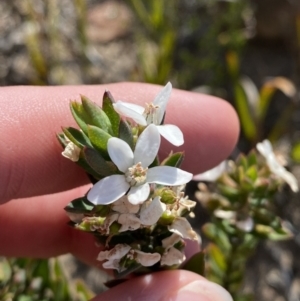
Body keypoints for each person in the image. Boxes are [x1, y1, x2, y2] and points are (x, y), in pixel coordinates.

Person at [0, 83, 239, 301]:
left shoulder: (149, 141)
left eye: (140, 171)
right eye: (135, 172)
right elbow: (122, 188)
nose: (138, 173)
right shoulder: (124, 162)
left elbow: (152, 181)